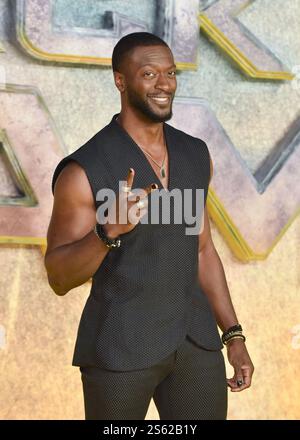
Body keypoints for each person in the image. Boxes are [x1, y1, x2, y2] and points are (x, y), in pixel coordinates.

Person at [44, 32, 254, 420]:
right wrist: (107, 232)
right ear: (120, 81)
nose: (165, 84)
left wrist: (233, 334)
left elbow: (204, 250)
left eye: (170, 72)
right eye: (149, 73)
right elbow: (58, 277)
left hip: (195, 341)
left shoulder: (195, 154)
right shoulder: (82, 170)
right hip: (120, 345)